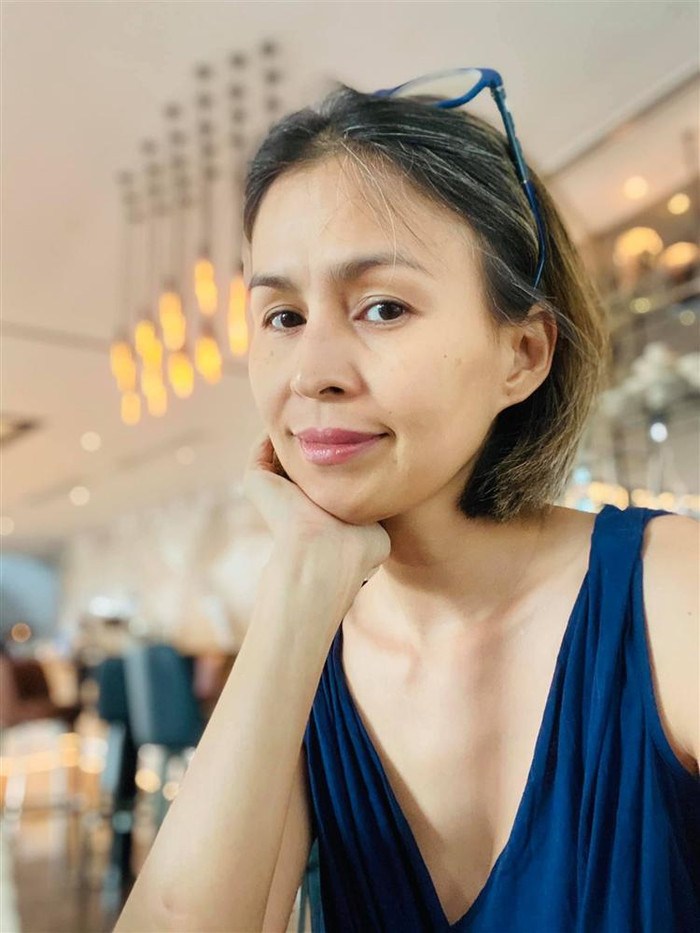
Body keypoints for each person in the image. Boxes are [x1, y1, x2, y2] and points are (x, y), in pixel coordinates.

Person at [115, 78, 700, 933]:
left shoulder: (671, 592)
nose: (312, 371)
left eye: (382, 307)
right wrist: (297, 589)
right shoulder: (305, 662)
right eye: (282, 316)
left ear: (522, 353)